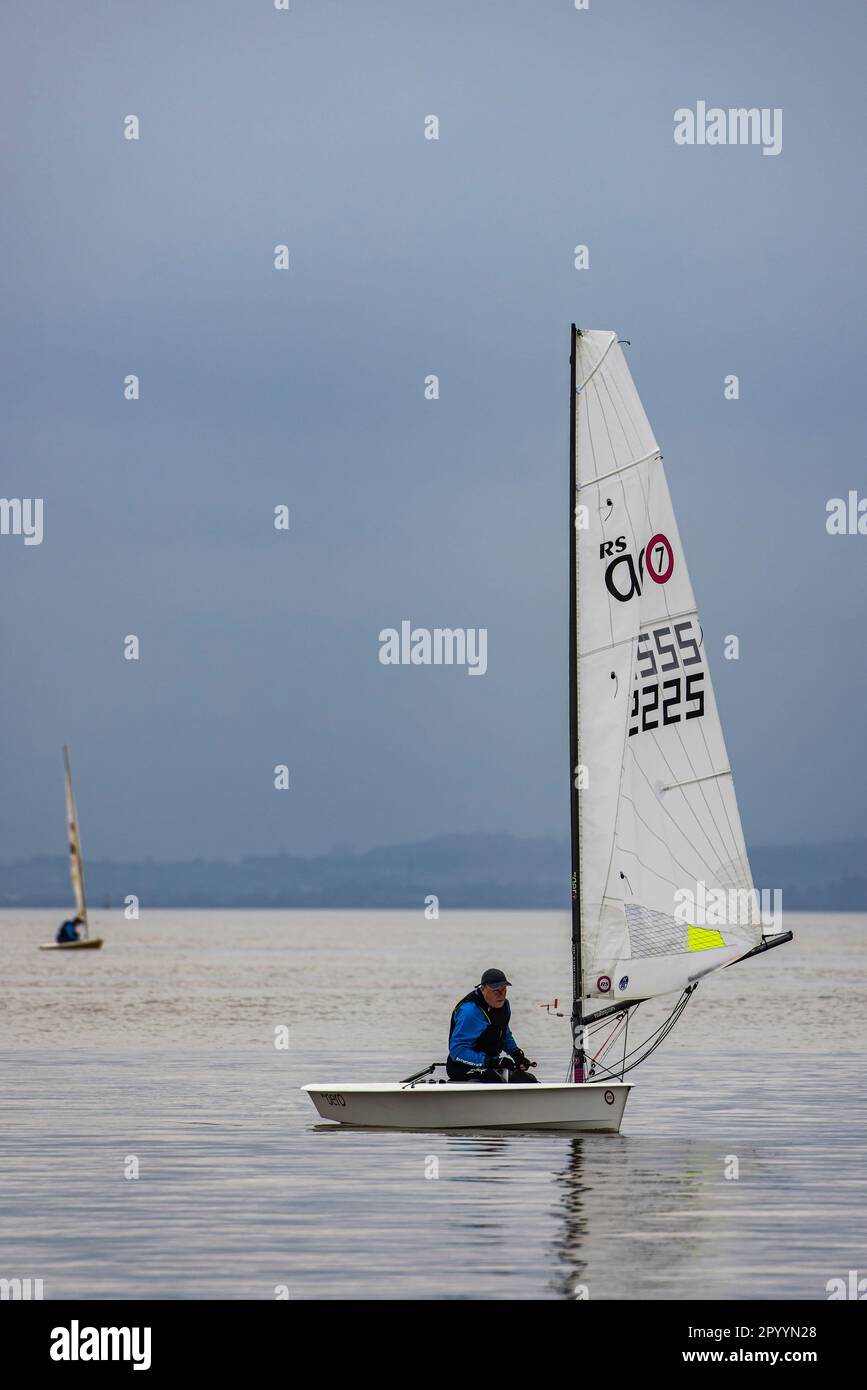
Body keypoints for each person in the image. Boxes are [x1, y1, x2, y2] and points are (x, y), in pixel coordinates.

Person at [447, 968, 538, 1083]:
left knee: (529, 1079)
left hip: (489, 1065)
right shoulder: (470, 1011)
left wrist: (517, 1055)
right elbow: (457, 1051)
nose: (501, 995)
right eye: (496, 990)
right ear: (483, 989)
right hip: (462, 1067)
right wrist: (492, 1062)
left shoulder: (505, 1006)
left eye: (504, 989)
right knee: (502, 1078)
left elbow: (504, 1035)